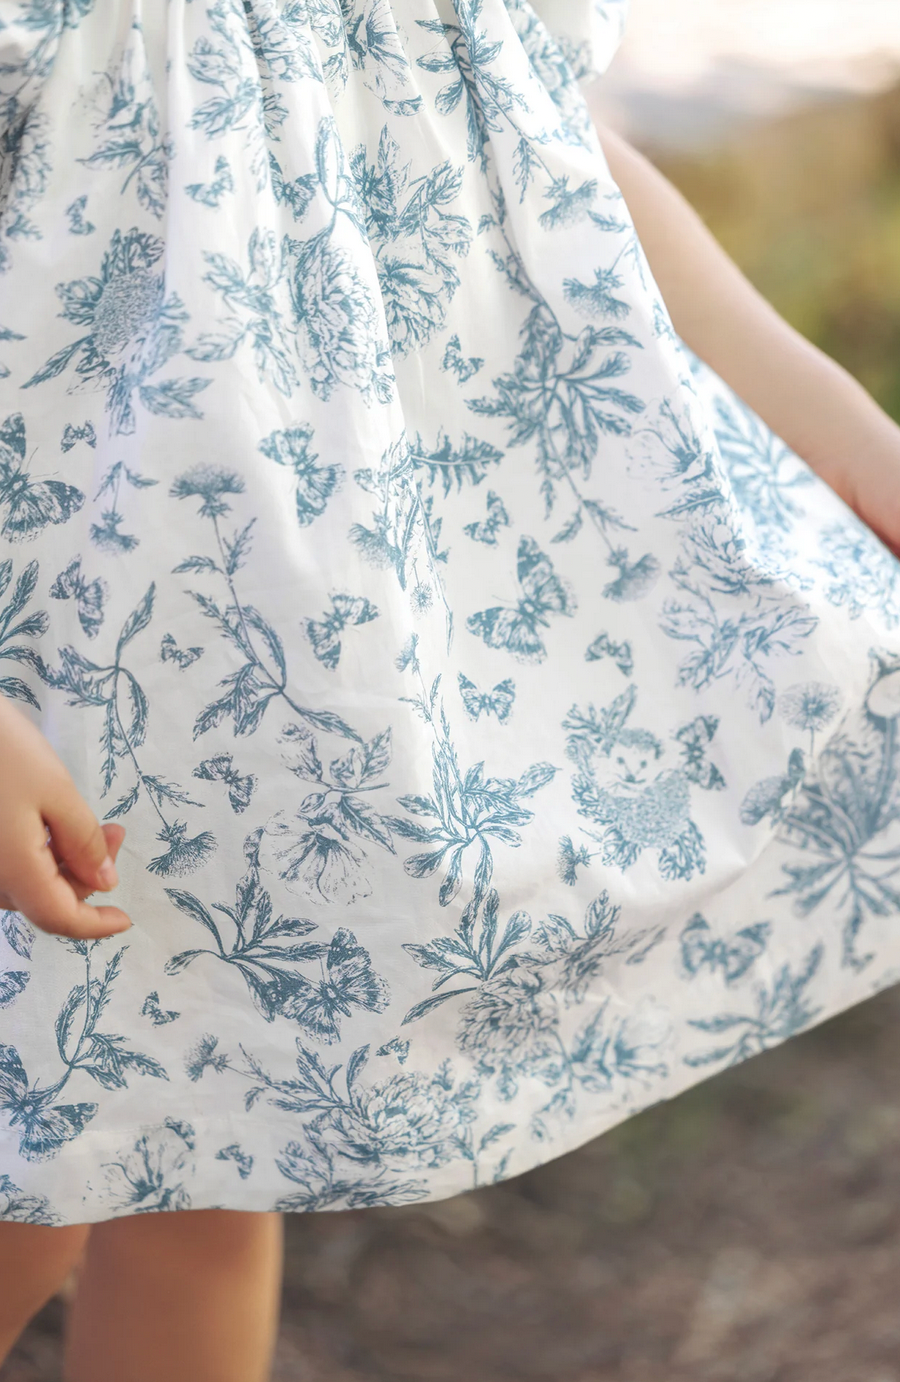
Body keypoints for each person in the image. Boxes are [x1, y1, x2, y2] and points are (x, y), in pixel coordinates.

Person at [1, 1, 900, 1377]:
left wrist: (836, 423)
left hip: (255, 695)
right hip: (48, 654)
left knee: (201, 1180)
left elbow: (546, 149)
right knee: (21, 1198)